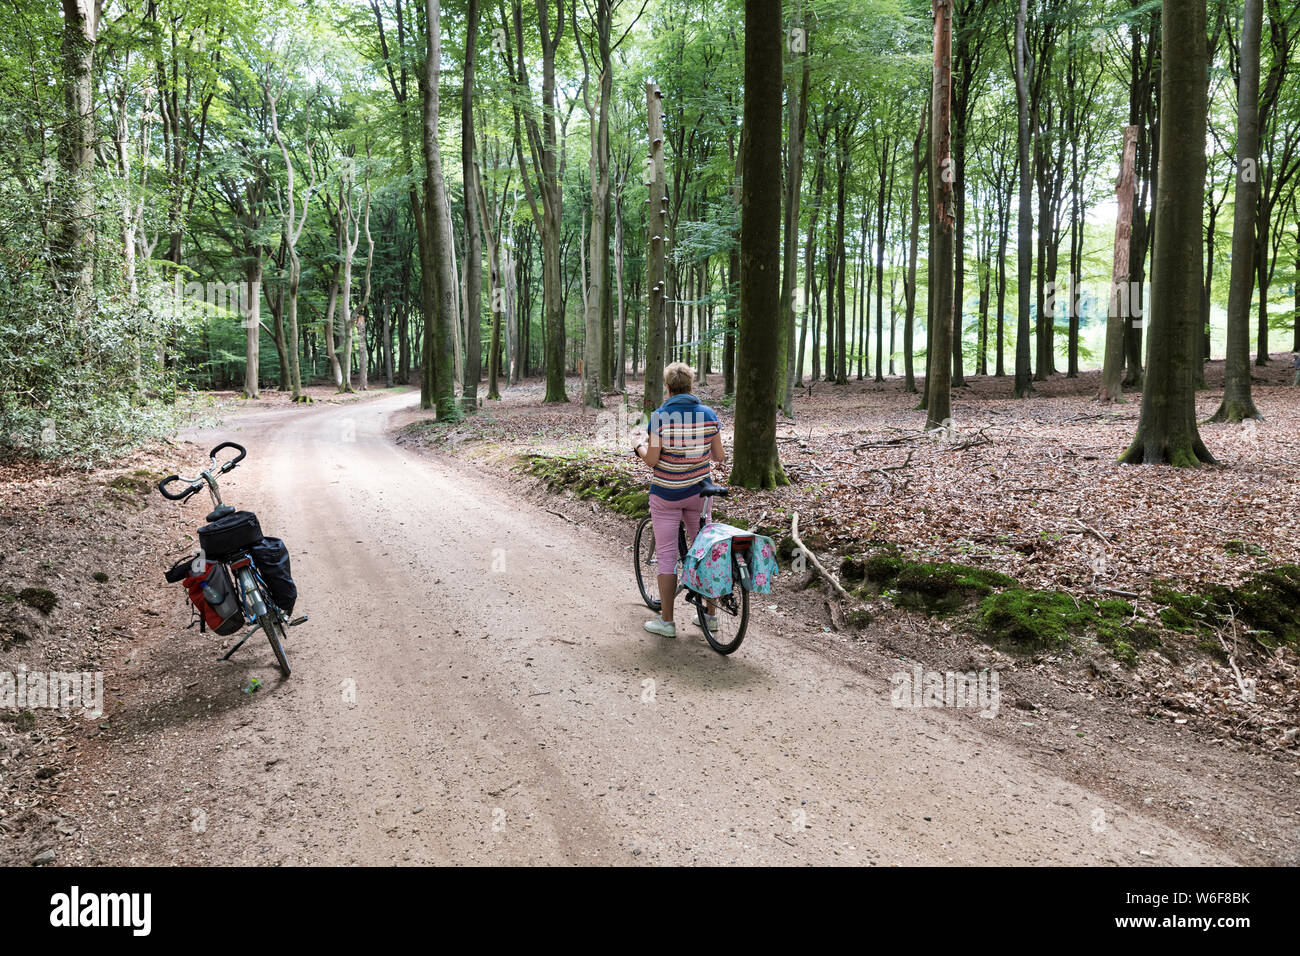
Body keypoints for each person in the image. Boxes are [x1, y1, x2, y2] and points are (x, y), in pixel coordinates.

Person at [633, 362, 725, 638]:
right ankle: (710, 616)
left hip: (666, 496)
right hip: (699, 493)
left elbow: (652, 460)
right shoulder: (709, 415)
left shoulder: (660, 417)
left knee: (667, 556)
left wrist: (638, 447)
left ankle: (667, 622)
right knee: (705, 550)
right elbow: (719, 456)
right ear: (691, 385)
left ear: (669, 387)